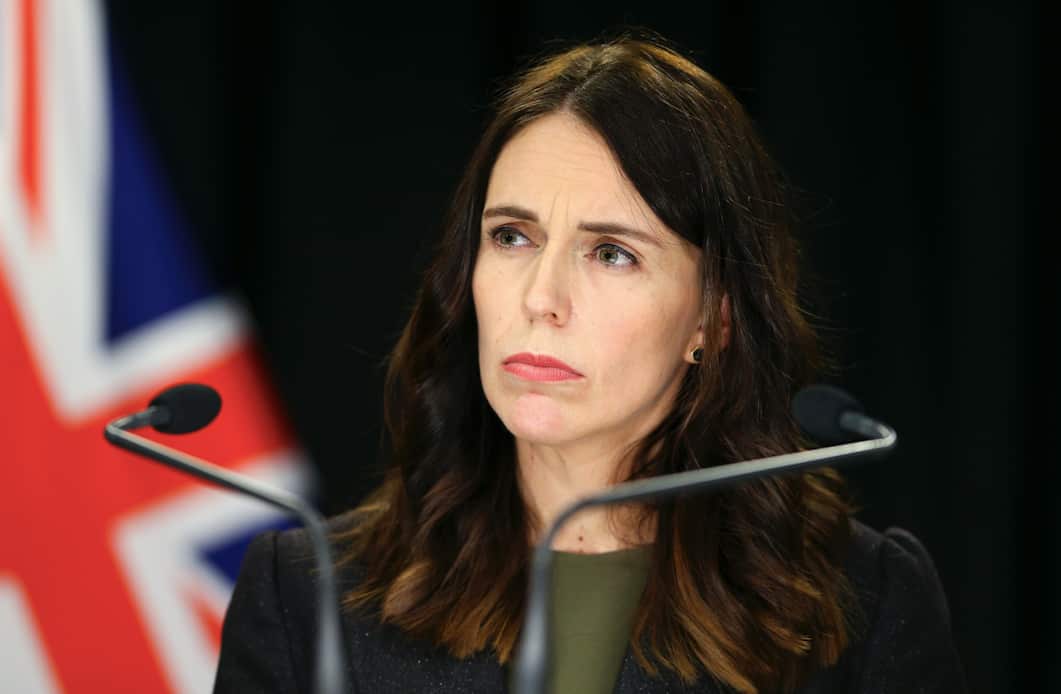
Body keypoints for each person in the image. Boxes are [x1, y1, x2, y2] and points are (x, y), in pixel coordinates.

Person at [214, 33, 966, 693]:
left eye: (611, 253)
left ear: (713, 319)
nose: (541, 298)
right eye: (512, 237)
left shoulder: (862, 600)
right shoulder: (306, 590)